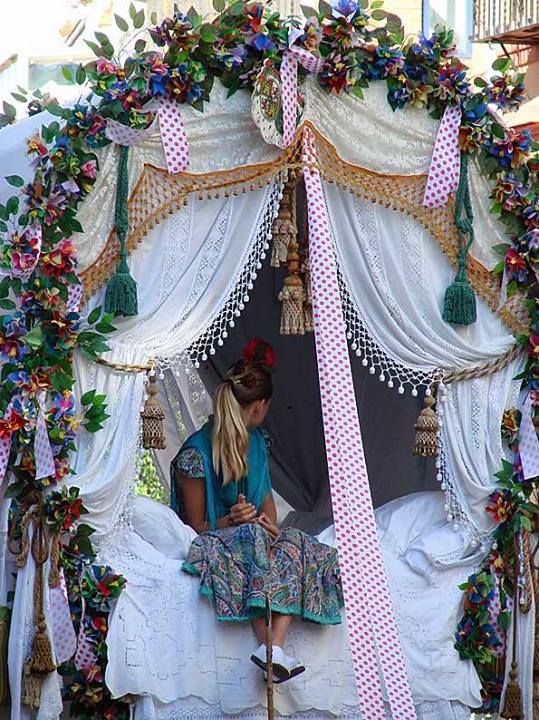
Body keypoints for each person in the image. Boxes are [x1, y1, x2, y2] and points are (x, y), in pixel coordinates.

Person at [171, 339, 343, 683]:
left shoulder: (258, 444)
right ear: (260, 406)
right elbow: (193, 527)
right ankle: (272, 649)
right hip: (213, 540)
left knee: (295, 541)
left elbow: (269, 514)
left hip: (252, 538)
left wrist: (267, 525)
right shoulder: (195, 454)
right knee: (251, 538)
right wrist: (232, 521)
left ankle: (273, 650)